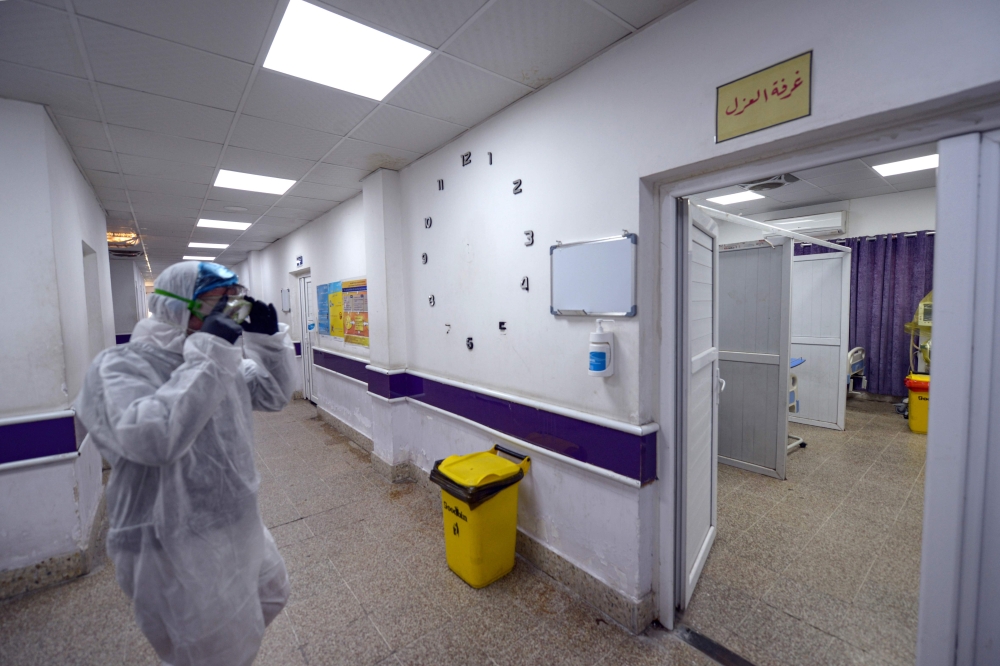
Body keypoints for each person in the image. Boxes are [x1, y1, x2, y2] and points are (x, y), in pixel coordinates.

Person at [75, 261, 296, 666]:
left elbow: (273, 394)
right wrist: (210, 354)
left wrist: (268, 341)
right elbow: (154, 438)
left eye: (236, 300)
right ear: (179, 306)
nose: (232, 309)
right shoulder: (120, 367)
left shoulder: (217, 361)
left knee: (271, 592)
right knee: (212, 653)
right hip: (169, 540)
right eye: (220, 302)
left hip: (234, 520)